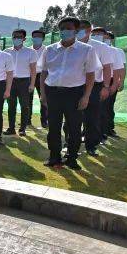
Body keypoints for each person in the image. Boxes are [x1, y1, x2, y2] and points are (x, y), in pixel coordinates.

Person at [39, 16, 100, 170]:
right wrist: (43, 94)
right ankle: (54, 157)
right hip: (53, 92)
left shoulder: (86, 50)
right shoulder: (50, 49)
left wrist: (86, 96)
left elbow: (90, 75)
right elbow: (44, 73)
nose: (65, 31)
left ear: (76, 31)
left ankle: (72, 158)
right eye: (62, 28)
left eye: (69, 28)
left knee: (74, 128)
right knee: (53, 127)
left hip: (75, 93)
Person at [77, 20, 114, 157]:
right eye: (77, 28)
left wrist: (106, 86)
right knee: (72, 117)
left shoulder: (101, 47)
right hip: (75, 85)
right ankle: (70, 144)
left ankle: (91, 146)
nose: (79, 31)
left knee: (92, 118)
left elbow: (107, 68)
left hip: (95, 86)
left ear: (89, 30)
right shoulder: (71, 45)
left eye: (82, 29)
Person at [6, 29, 38, 136]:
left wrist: (32, 84)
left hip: (24, 82)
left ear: (24, 39)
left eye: (19, 37)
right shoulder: (7, 51)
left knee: (25, 106)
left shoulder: (31, 52)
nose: (16, 39)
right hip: (11, 82)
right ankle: (11, 128)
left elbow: (33, 70)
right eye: (14, 36)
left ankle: (22, 128)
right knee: (11, 106)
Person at [100, 30, 125, 139]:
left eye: (108, 38)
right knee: (94, 107)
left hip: (110, 80)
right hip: (97, 80)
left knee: (108, 106)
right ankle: (90, 131)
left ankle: (107, 129)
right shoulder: (94, 48)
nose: (105, 39)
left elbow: (121, 68)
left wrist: (120, 81)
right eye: (103, 37)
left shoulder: (117, 51)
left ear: (111, 39)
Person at [31, 29, 48, 128]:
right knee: (28, 99)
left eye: (39, 36)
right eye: (34, 36)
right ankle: (27, 120)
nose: (36, 38)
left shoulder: (47, 49)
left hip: (42, 76)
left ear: (43, 38)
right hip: (29, 76)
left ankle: (44, 121)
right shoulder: (28, 49)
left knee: (43, 98)